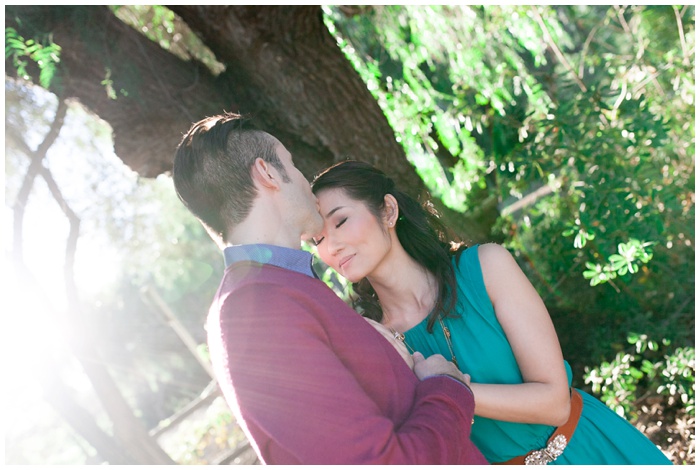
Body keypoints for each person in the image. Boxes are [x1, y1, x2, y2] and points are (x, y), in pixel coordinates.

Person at [171, 113, 487, 465]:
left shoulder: (280, 291)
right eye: (292, 163)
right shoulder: (253, 313)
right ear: (268, 173)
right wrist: (446, 388)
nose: (307, 183)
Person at [310, 160, 673, 465]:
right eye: (318, 239)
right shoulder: (371, 340)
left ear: (388, 210)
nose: (332, 245)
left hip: (591, 450)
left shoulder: (485, 268)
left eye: (340, 221)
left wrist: (444, 386)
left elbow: (554, 403)